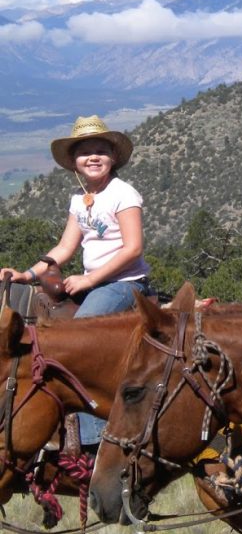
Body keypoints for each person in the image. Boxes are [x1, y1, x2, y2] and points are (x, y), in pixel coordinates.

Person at [1, 115, 153, 451]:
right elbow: (65, 248)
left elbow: (133, 248)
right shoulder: (79, 200)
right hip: (95, 285)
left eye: (101, 150)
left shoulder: (123, 193)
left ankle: (91, 441)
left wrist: (90, 278)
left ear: (114, 157)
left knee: (78, 340)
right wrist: (27, 275)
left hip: (124, 284)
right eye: (85, 152)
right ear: (74, 162)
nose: (93, 157)